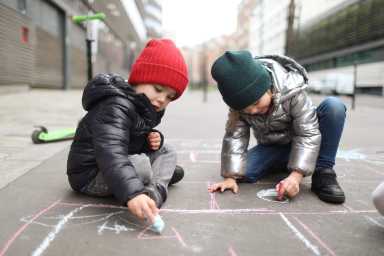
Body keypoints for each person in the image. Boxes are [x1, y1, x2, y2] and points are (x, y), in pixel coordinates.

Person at [67, 39, 188, 223]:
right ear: (140, 79)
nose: (162, 99)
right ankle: (152, 179)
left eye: (170, 97)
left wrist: (150, 139)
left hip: (121, 161)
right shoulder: (115, 106)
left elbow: (131, 137)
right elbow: (111, 151)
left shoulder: (147, 105)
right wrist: (133, 194)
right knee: (142, 166)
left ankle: (155, 191)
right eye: (158, 89)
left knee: (167, 150)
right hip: (91, 174)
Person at [208, 51, 346, 204]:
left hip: (306, 139)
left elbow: (307, 134)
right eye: (246, 109)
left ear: (268, 88)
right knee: (243, 172)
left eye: (255, 103)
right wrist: (230, 177)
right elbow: (235, 137)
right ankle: (287, 162)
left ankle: (322, 171)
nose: (253, 111)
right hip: (274, 147)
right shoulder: (239, 108)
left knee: (334, 107)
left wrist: (296, 176)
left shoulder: (293, 92)